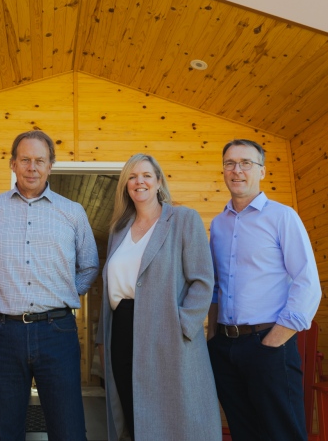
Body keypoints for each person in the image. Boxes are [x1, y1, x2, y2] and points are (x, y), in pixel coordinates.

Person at [0, 130, 99, 441]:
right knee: (4, 430)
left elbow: (90, 265)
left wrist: (62, 294)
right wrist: (5, 294)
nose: (32, 167)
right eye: (25, 160)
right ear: (13, 164)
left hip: (57, 331)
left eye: (39, 161)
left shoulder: (72, 212)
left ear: (50, 165)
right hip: (4, 334)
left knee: (68, 429)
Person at [96, 154, 221, 441]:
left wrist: (183, 325)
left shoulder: (183, 219)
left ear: (158, 181)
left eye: (146, 175)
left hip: (167, 329)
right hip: (123, 329)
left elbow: (203, 280)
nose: (139, 181)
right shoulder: (118, 231)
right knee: (132, 412)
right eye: (132, 176)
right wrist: (103, 341)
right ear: (126, 185)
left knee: (174, 415)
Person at [207, 139, 321, 440]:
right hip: (225, 348)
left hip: (267, 344)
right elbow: (216, 287)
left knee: (282, 433)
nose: (237, 170)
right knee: (244, 432)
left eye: (246, 163)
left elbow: (307, 281)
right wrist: (212, 340)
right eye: (230, 163)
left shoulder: (282, 217)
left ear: (262, 171)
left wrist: (275, 341)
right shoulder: (218, 225)